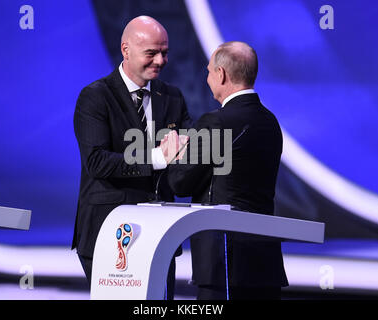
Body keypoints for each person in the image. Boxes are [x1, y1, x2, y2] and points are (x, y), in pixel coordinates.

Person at [72, 16, 192, 299]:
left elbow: (187, 150)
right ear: (126, 50)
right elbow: (98, 162)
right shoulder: (95, 97)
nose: (160, 61)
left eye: (165, 52)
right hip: (109, 235)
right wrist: (157, 157)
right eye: (151, 53)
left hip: (161, 234)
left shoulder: (172, 96)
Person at [168, 41, 288, 300]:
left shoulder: (215, 122)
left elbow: (181, 182)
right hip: (265, 264)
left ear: (221, 74)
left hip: (224, 263)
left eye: (209, 71)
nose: (208, 77)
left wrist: (175, 153)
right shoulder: (271, 123)